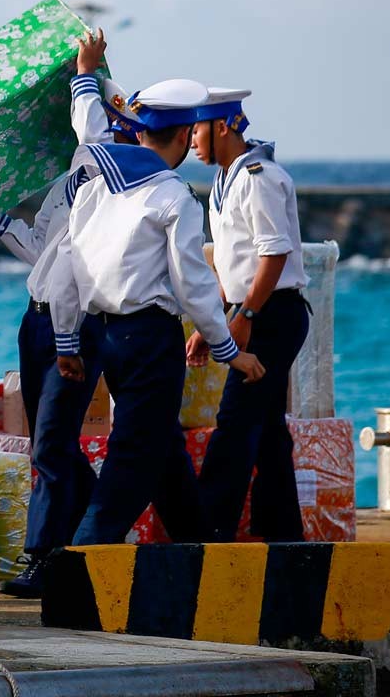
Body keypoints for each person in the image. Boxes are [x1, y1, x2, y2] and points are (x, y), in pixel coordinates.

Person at [48, 79, 265, 547]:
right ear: (186, 137)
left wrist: (66, 340)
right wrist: (229, 351)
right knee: (132, 461)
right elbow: (193, 282)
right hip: (149, 340)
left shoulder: (96, 185)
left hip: (103, 336)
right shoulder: (174, 196)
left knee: (163, 453)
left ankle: (200, 551)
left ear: (140, 131)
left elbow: (67, 266)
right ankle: (81, 567)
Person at [0, 31, 132, 597]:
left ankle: (41, 558)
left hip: (76, 327)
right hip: (38, 319)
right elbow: (42, 249)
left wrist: (86, 73)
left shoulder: (114, 181)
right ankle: (89, 533)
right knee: (55, 444)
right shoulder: (72, 178)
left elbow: (74, 266)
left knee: (49, 445)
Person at [190, 86, 309, 543]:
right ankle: (282, 532)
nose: (192, 139)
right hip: (250, 310)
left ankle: (208, 530)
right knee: (268, 428)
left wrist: (245, 314)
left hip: (272, 314)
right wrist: (218, 318)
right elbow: (228, 259)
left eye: (197, 130)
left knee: (235, 421)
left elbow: (273, 254)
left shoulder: (260, 177)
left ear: (221, 127)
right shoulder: (224, 180)